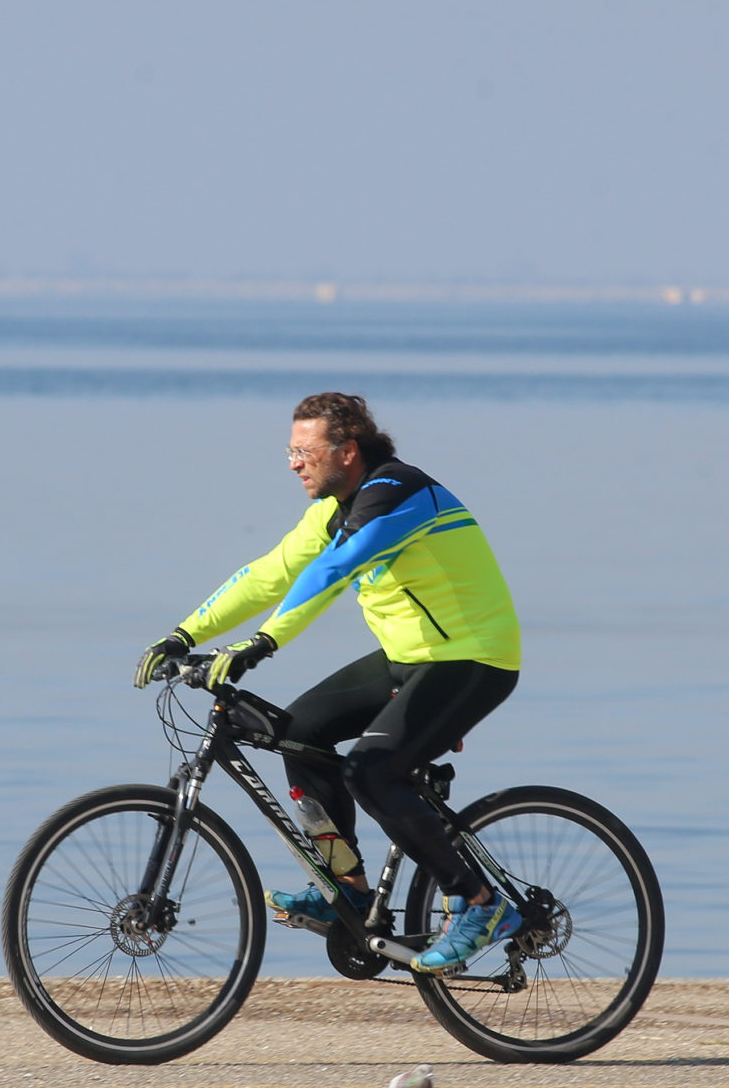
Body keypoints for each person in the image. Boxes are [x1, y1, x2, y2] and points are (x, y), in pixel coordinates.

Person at [132, 392, 524, 973]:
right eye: (289, 452)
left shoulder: (398, 494)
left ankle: (479, 902)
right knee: (297, 734)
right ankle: (349, 887)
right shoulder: (333, 508)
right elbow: (267, 574)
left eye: (303, 451)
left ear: (347, 450)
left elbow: (334, 571)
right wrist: (184, 634)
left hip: (473, 659)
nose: (293, 463)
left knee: (371, 770)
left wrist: (261, 644)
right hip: (407, 658)